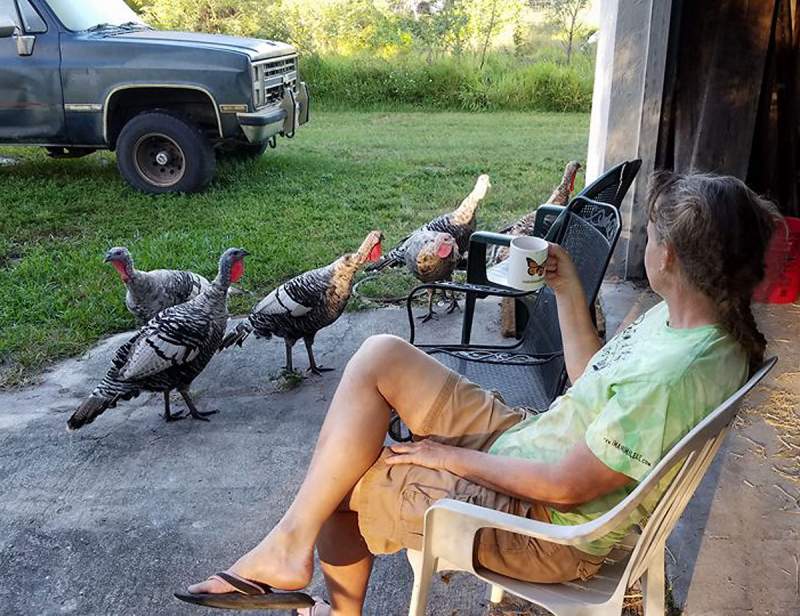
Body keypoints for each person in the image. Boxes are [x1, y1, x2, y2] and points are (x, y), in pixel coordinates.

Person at [176, 172, 779, 615]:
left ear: (666, 255)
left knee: (344, 485)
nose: (645, 246)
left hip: (546, 523)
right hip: (528, 443)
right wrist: (569, 291)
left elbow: (569, 488)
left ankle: (301, 569)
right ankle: (286, 550)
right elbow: (600, 379)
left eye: (650, 237)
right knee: (381, 354)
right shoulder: (688, 321)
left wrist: (447, 456)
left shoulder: (678, 374)